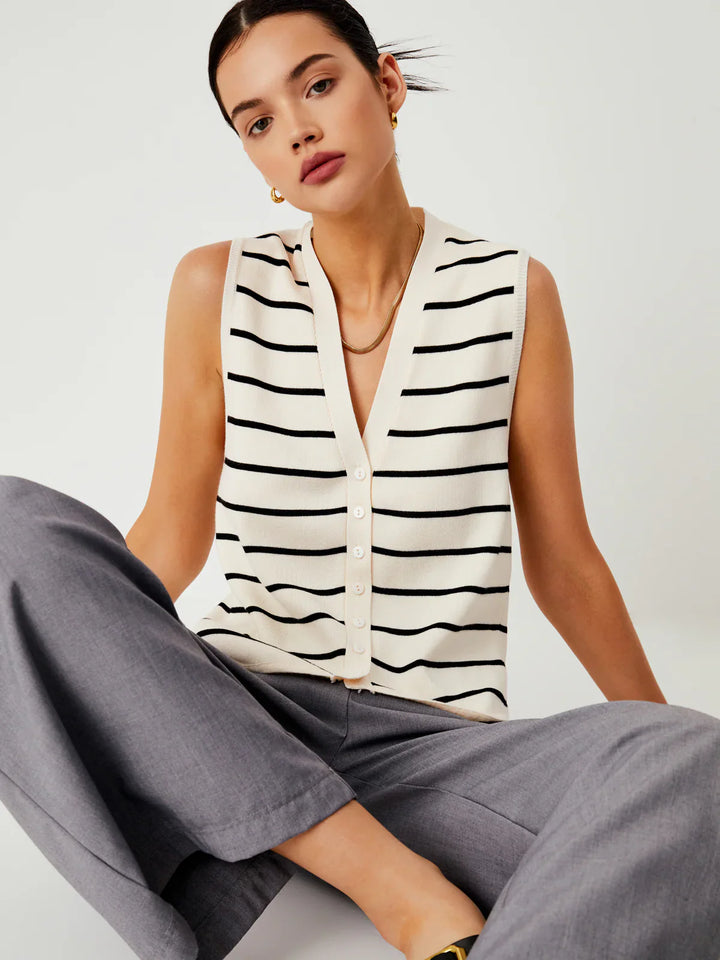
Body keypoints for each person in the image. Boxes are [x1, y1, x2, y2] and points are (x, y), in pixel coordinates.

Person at [1, 3, 718, 960]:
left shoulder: (513, 293)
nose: (295, 128)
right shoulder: (214, 287)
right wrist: (96, 656)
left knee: (698, 760)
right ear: (254, 160)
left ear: (385, 86)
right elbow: (171, 536)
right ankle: (397, 888)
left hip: (437, 748)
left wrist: (657, 756)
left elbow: (566, 559)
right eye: (257, 122)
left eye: (319, 84)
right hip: (240, 720)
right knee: (10, 533)